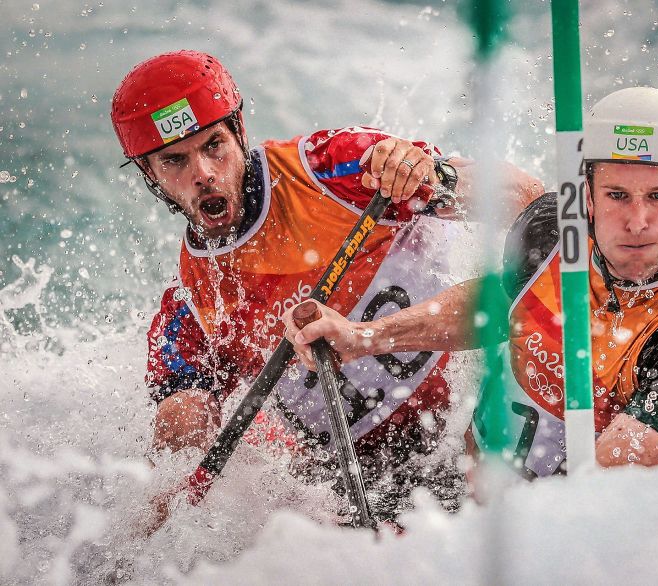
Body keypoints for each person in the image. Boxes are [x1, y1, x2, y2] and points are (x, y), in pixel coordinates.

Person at [110, 50, 543, 518]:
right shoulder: (194, 306)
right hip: (349, 484)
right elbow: (178, 439)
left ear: (239, 133)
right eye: (174, 161)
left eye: (214, 145)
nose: (203, 174)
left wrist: (435, 175)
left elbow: (530, 201)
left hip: (468, 430)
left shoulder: (334, 169)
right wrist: (171, 479)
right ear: (150, 177)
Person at [467, 86, 658, 476]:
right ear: (587, 195)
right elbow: (498, 297)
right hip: (467, 498)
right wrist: (372, 336)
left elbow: (604, 483)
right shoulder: (552, 233)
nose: (636, 222)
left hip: (582, 524)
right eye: (617, 195)